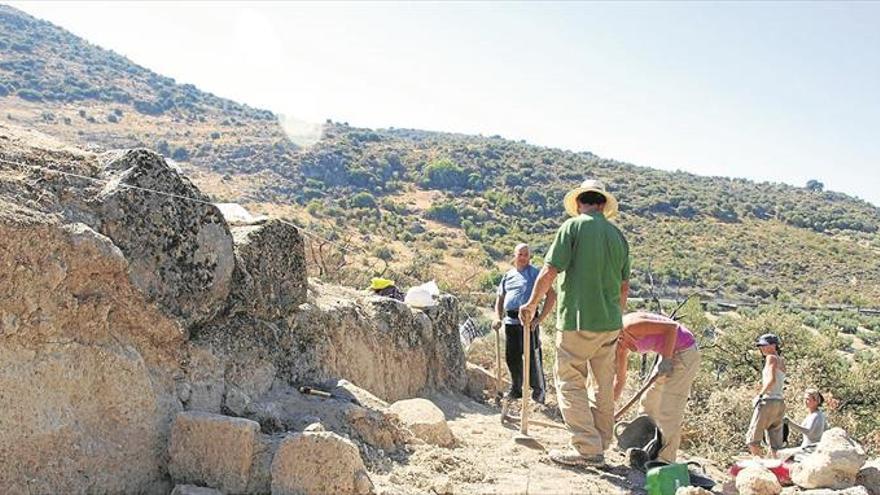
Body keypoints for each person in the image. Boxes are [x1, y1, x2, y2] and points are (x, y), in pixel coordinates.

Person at [519, 179, 630, 468]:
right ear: (603, 205)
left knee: (569, 382)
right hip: (609, 323)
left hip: (577, 321)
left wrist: (531, 304)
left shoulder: (572, 227)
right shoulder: (618, 236)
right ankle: (601, 442)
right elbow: (624, 288)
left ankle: (586, 448)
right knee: (602, 385)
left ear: (580, 202)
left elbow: (550, 270)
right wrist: (615, 319)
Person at [613, 311, 702, 463]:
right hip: (666, 352)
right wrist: (607, 409)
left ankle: (664, 459)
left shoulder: (630, 326)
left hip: (685, 352)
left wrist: (667, 359)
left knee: (669, 409)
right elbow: (620, 380)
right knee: (649, 401)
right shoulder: (617, 344)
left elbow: (672, 328)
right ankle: (640, 446)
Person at [493, 243, 556, 404]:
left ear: (530, 257)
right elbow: (500, 298)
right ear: (514, 256)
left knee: (533, 358)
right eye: (520, 254)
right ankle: (516, 390)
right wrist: (497, 317)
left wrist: (539, 319)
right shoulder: (508, 275)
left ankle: (538, 393)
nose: (522, 258)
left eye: (525, 255)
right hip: (510, 322)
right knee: (511, 357)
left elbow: (551, 295)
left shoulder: (536, 274)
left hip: (528, 322)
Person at [745, 333, 786, 457]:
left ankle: (759, 468)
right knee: (776, 445)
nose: (761, 348)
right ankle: (779, 470)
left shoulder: (771, 358)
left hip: (768, 401)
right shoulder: (781, 361)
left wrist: (760, 395)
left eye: (764, 345)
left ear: (773, 346)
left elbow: (771, 380)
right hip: (780, 403)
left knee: (753, 440)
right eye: (760, 346)